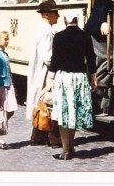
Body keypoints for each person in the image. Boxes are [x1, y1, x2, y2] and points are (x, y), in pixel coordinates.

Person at [44, 13, 97, 160]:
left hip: (64, 78)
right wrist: (93, 77)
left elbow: (54, 61)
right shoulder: (85, 36)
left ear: (65, 20)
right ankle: (71, 147)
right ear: (77, 20)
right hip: (80, 78)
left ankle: (66, 150)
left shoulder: (59, 36)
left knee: (64, 113)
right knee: (73, 113)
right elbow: (91, 58)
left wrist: (49, 81)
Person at [26, 0, 61, 147]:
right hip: (44, 72)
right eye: (55, 13)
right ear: (47, 14)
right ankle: (53, 138)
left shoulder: (42, 29)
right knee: (48, 102)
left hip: (40, 70)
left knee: (41, 102)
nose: (58, 16)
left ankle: (38, 136)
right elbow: (48, 56)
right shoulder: (47, 31)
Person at [84, 0, 114, 116]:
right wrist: (103, 22)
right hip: (97, 31)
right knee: (103, 59)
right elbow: (101, 6)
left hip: (101, 32)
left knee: (108, 59)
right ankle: (97, 93)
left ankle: (101, 95)